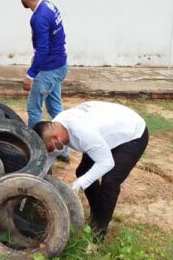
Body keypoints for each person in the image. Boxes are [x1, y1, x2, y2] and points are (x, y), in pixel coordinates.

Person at [33, 101, 149, 240]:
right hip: (103, 132)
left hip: (132, 133)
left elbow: (106, 163)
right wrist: (35, 180)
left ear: (55, 139)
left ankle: (99, 230)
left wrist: (79, 184)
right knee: (83, 171)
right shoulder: (56, 127)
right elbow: (49, 157)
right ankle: (97, 212)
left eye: (49, 148)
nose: (50, 151)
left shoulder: (83, 133)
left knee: (110, 181)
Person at [18, 0, 70, 161]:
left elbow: (43, 49)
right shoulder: (49, 6)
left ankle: (35, 153)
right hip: (60, 65)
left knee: (34, 110)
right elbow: (53, 39)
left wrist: (30, 74)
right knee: (56, 108)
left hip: (48, 70)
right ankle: (64, 152)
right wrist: (38, 56)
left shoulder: (39, 17)